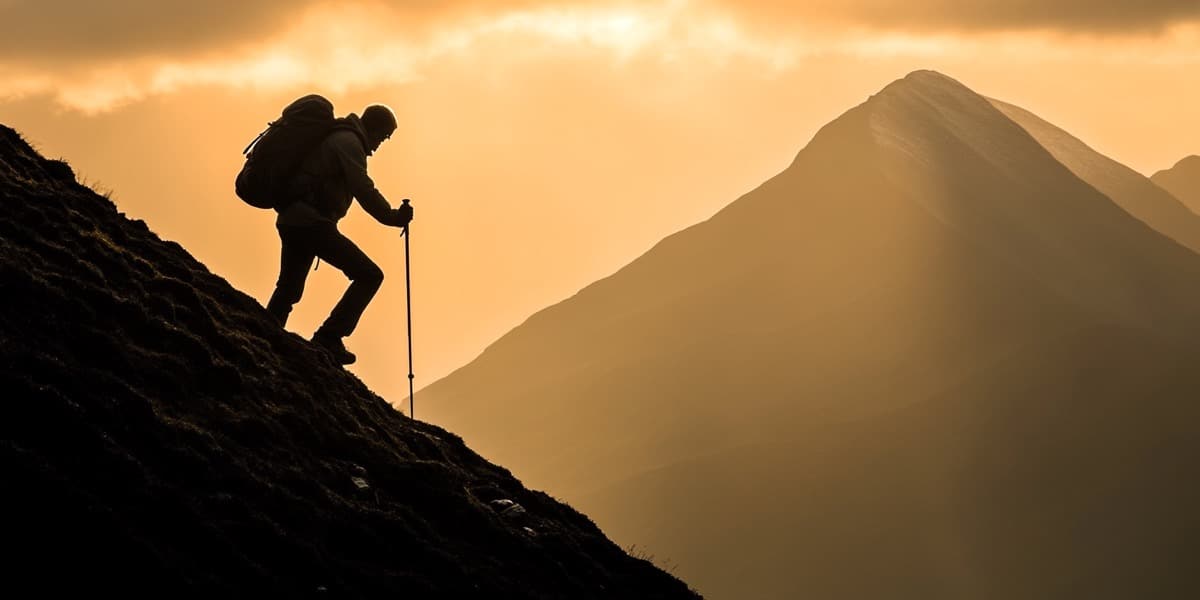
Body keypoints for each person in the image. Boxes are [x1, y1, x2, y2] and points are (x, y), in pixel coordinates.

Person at [265, 104, 412, 365]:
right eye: (383, 136)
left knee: (289, 287)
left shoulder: (340, 137)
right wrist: (393, 217)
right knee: (369, 275)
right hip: (312, 222)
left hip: (293, 218)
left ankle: (266, 334)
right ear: (374, 128)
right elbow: (364, 190)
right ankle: (329, 337)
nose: (380, 143)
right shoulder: (349, 143)